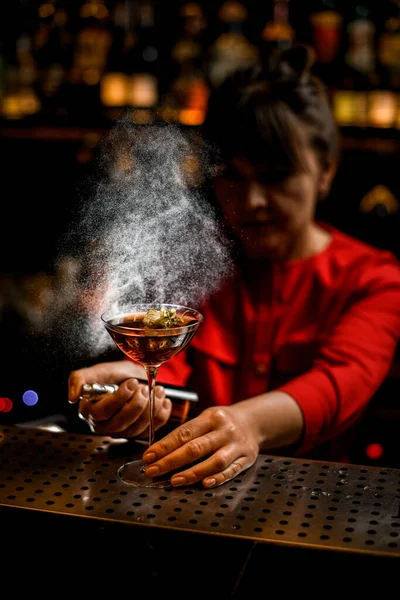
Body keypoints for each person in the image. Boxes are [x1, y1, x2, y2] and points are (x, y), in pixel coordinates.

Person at [68, 44, 400, 488]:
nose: (252, 202)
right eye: (233, 176)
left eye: (276, 176)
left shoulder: (373, 278)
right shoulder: (195, 263)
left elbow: (337, 386)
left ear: (326, 171)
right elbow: (167, 371)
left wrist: (248, 424)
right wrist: (132, 387)